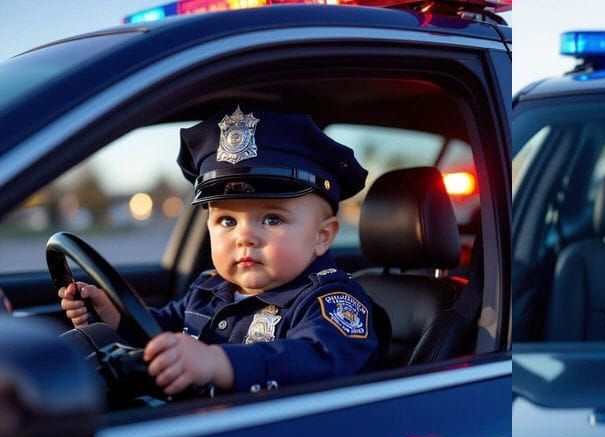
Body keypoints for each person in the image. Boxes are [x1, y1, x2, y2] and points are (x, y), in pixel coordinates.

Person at [60, 106, 378, 396]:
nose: (245, 237)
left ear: (322, 237)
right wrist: (116, 318)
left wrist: (217, 362)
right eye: (227, 220)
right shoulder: (209, 287)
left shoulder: (331, 301)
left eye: (272, 218)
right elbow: (160, 333)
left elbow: (318, 359)